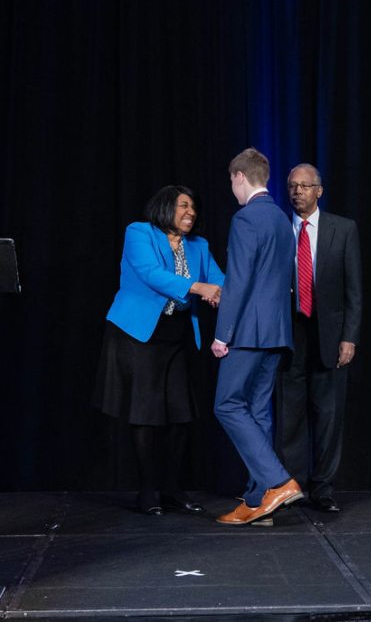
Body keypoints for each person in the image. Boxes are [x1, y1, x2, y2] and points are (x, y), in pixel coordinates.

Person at [96, 185, 224, 515]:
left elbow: (219, 280)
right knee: (145, 413)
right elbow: (151, 274)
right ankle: (146, 492)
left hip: (176, 335)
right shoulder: (140, 233)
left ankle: (171, 489)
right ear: (165, 207)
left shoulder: (199, 245)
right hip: (138, 334)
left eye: (193, 207)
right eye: (183, 205)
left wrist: (239, 292)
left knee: (182, 414)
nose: (191, 212)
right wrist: (199, 287)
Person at [211, 147, 302, 525]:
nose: (232, 189)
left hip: (248, 332)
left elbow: (238, 281)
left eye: (232, 181)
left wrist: (222, 335)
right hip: (277, 331)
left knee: (227, 405)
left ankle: (278, 483)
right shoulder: (282, 218)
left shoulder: (246, 218)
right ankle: (257, 500)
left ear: (239, 176)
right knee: (257, 410)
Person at [276, 164, 361, 513]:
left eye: (305, 186)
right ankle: (291, 488)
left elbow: (354, 290)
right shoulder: (279, 229)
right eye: (292, 186)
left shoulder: (344, 229)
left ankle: (323, 489)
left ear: (319, 191)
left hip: (329, 335)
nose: (297, 191)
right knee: (289, 417)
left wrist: (349, 337)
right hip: (288, 334)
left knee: (328, 416)